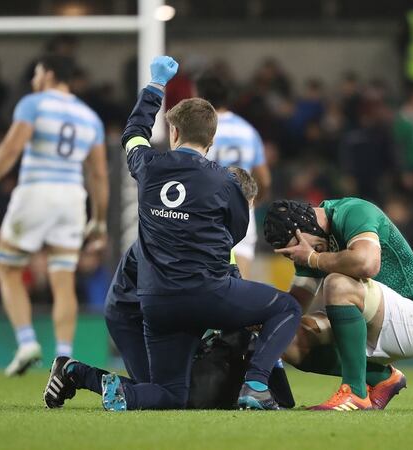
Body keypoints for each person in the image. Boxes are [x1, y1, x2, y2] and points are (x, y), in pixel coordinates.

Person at [46, 56, 299, 411]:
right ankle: (255, 384)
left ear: (174, 132)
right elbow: (236, 234)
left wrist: (155, 86)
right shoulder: (226, 183)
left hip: (157, 304)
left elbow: (133, 134)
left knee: (169, 393)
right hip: (208, 294)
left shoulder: (147, 166)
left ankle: (87, 375)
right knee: (286, 307)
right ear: (211, 139)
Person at [43, 167, 296, 409]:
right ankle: (84, 375)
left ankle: (75, 372)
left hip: (157, 310)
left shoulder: (202, 227)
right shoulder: (198, 232)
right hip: (132, 313)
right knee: (169, 393)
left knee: (166, 393)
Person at [0, 54, 109, 377]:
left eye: (36, 73)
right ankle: (64, 359)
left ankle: (27, 341)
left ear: (49, 74)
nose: (33, 79)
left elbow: (12, 147)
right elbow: (99, 173)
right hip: (72, 197)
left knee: (7, 267)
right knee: (63, 280)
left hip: (36, 190)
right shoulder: (90, 117)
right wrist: (98, 220)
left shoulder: (34, 103)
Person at [264, 198, 413, 410]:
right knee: (287, 337)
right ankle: (381, 378)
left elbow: (367, 263)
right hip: (371, 318)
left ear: (304, 227)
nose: (299, 255)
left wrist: (313, 258)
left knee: (337, 283)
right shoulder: (313, 244)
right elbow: (295, 305)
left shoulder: (353, 212)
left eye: (296, 248)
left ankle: (355, 392)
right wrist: (262, 318)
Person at [197, 75, 271, 279]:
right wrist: (255, 201)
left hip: (206, 207)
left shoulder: (199, 129)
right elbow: (264, 179)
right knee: (241, 277)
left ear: (200, 97)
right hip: (242, 205)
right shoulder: (248, 131)